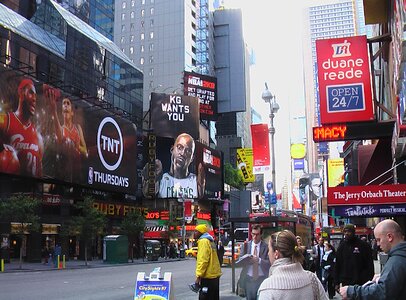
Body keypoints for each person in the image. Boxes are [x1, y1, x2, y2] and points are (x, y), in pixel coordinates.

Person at [339, 219, 406, 300]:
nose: (377, 244)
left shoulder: (396, 261)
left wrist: (351, 291)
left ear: (390, 237)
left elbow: (383, 292)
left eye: (379, 239)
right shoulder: (399, 257)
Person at [257, 230, 328, 300]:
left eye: (269, 249)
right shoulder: (313, 279)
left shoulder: (267, 287)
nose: (268, 253)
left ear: (276, 254)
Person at [0, 78, 44, 177]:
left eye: (35, 96)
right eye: (31, 93)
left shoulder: (38, 138)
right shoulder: (5, 121)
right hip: (7, 189)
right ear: (21, 93)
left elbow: (39, 174)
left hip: (29, 191)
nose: (34, 99)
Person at [47, 87, 87, 181]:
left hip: (77, 171)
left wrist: (77, 147)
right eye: (63, 103)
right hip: (64, 173)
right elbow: (59, 142)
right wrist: (54, 111)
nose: (65, 105)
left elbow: (85, 151)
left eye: (67, 103)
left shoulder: (77, 128)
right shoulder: (60, 129)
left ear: (72, 112)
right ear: (61, 110)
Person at [334, 224, 374, 291]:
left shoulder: (363, 245)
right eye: (345, 232)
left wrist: (370, 280)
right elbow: (337, 264)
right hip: (346, 282)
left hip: (361, 282)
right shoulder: (342, 246)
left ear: (353, 232)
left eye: (349, 231)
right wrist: (336, 282)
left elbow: (369, 264)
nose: (346, 233)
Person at [238, 224, 271, 300]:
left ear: (261, 234)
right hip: (249, 279)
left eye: (257, 234)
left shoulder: (266, 247)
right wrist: (247, 260)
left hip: (262, 279)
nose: (255, 237)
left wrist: (259, 260)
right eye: (253, 234)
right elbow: (239, 261)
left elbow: (269, 263)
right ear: (251, 233)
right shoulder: (245, 246)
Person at [159, 133, 197, 198]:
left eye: (188, 151)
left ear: (192, 158)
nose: (182, 153)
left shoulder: (195, 181)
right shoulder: (161, 179)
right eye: (179, 147)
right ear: (172, 149)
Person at [194, 224, 222, 300]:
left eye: (196, 231)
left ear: (201, 232)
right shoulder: (210, 241)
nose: (194, 233)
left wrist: (198, 276)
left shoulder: (203, 241)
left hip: (208, 276)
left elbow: (203, 260)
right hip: (214, 276)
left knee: (205, 297)